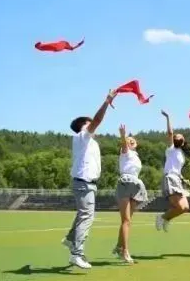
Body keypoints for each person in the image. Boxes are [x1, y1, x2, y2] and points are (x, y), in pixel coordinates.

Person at [62, 90, 116, 269]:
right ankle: (76, 254)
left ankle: (70, 240)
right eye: (89, 123)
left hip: (86, 183)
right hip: (84, 183)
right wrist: (107, 101)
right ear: (83, 127)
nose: (93, 125)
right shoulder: (82, 136)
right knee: (86, 216)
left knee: (82, 214)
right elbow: (98, 120)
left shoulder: (89, 142)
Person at [112, 123, 147, 264]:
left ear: (136, 144)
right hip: (126, 183)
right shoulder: (125, 152)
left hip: (136, 185)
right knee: (126, 220)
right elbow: (124, 144)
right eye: (128, 140)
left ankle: (118, 247)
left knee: (127, 220)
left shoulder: (136, 156)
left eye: (133, 140)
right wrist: (123, 135)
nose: (130, 141)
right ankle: (125, 251)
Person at [156, 110, 190, 233]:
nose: (177, 135)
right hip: (170, 178)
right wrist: (168, 117)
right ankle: (162, 217)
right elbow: (170, 132)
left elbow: (178, 169)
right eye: (176, 136)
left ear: (183, 142)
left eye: (180, 136)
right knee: (179, 206)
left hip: (177, 179)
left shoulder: (181, 154)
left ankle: (166, 218)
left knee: (185, 207)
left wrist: (183, 179)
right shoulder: (171, 149)